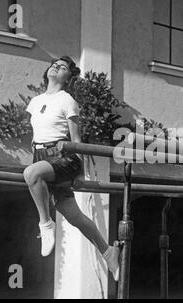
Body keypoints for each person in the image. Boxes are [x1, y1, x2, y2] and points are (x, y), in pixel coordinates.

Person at [23, 56, 120, 281]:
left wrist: (80, 172)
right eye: (54, 64)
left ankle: (46, 224)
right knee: (74, 216)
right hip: (41, 156)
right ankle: (108, 252)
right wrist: (36, 158)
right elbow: (36, 137)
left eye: (63, 66)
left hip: (63, 156)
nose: (56, 66)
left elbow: (76, 139)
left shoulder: (67, 100)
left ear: (68, 77)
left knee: (31, 173)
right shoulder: (35, 102)